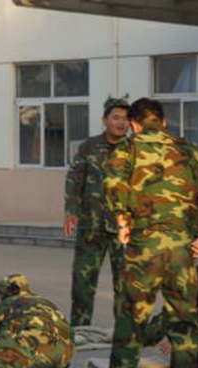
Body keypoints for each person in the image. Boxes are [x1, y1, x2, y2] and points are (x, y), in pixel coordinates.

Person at [104, 97, 198, 368]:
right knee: (183, 319)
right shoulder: (191, 150)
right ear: (163, 121)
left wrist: (122, 224)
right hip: (183, 250)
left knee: (131, 316)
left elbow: (113, 187)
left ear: (133, 123)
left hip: (144, 248)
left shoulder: (127, 148)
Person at [64, 96, 130, 327]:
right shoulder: (88, 147)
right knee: (83, 280)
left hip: (124, 230)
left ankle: (124, 331)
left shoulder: (135, 149)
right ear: (105, 120)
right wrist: (71, 211)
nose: (121, 123)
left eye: (125, 118)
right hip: (90, 225)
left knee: (125, 284)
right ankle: (80, 328)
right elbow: (74, 180)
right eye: (116, 118)